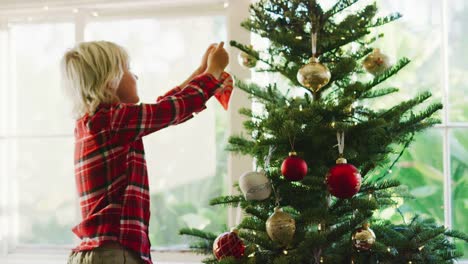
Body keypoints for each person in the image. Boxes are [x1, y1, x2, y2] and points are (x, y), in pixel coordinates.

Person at [62, 40, 230, 264]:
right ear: (109, 81)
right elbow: (173, 109)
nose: (135, 76)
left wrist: (200, 73)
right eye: (128, 69)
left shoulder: (98, 123)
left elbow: (165, 106)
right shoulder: (113, 122)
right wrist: (214, 72)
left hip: (100, 252)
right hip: (112, 253)